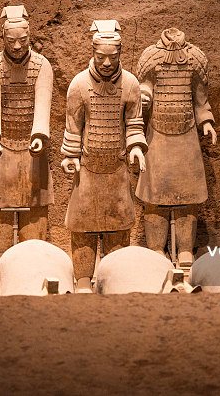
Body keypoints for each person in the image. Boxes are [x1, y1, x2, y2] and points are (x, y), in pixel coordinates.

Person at [61, 20, 147, 292]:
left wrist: (136, 148)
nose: (107, 63)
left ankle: (114, 278)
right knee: (83, 227)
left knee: (118, 227)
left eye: (113, 57)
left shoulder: (130, 83)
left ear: (120, 53)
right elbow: (73, 125)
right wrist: (71, 156)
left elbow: (134, 122)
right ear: (93, 53)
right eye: (101, 57)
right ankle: (83, 280)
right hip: (87, 170)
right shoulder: (79, 84)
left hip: (117, 170)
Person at [134, 27, 216, 272]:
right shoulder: (151, 56)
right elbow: (144, 86)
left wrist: (206, 122)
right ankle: (156, 248)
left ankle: (185, 249)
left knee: (188, 197)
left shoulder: (195, 58)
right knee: (154, 197)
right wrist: (144, 96)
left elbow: (200, 99)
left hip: (187, 136)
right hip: (157, 135)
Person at [0, 5, 54, 276]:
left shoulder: (42, 65)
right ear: (2, 36)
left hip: (33, 146)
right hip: (2, 145)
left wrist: (39, 135)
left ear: (29, 36)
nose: (16, 46)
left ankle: (32, 251)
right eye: (11, 40)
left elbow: (43, 103)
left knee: (35, 202)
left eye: (22, 40)